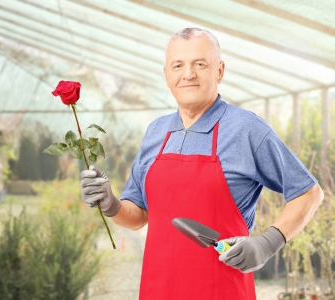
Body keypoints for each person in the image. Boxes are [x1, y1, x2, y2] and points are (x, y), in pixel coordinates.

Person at [80, 28, 324, 299]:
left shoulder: (245, 128)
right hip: (158, 289)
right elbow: (138, 215)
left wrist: (268, 243)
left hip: (223, 289)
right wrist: (110, 203)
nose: (188, 74)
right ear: (166, 75)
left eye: (200, 64)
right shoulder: (156, 132)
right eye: (178, 65)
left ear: (219, 71)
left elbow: (308, 192)